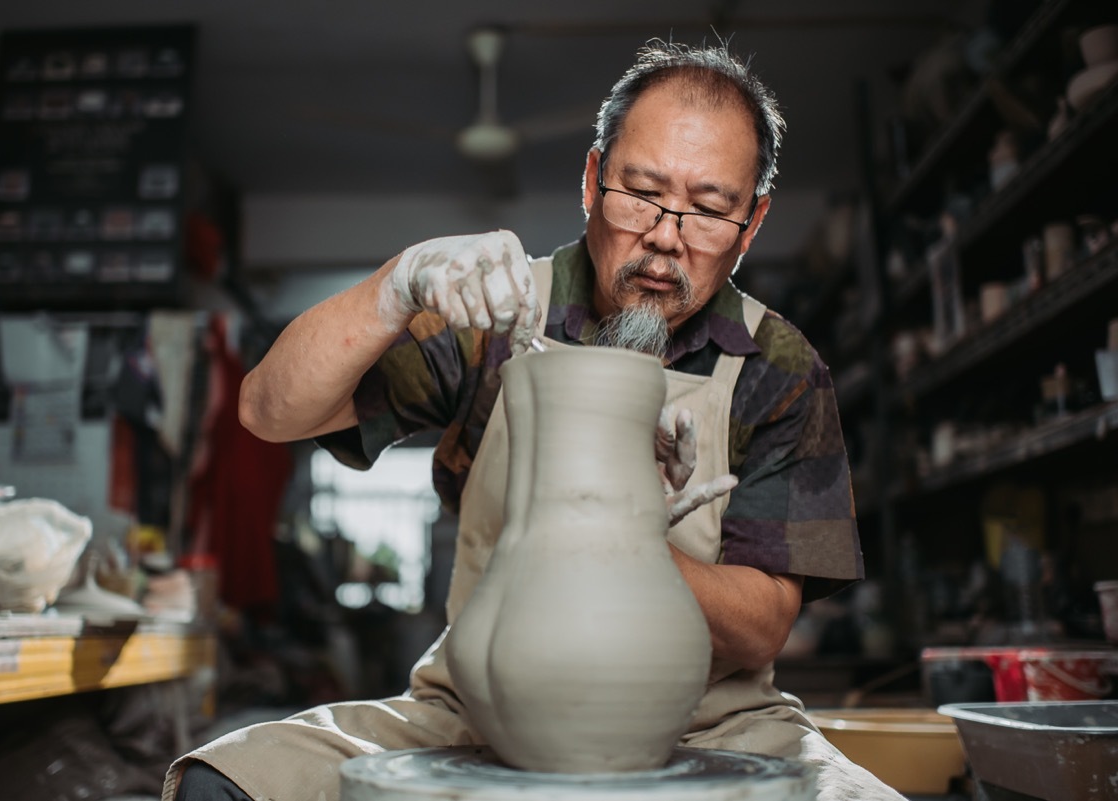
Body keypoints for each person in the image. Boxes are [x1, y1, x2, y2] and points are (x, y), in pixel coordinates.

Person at [165, 40, 903, 801]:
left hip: (714, 720)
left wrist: (626, 530)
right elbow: (266, 410)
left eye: (710, 211)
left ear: (752, 225)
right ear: (591, 179)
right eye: (641, 193)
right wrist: (395, 287)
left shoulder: (778, 364)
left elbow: (761, 628)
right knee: (224, 785)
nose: (665, 237)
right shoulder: (496, 311)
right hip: (477, 704)